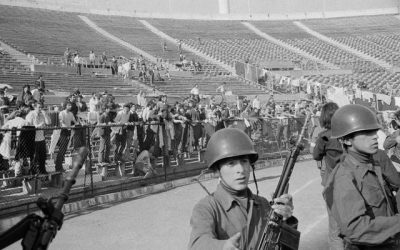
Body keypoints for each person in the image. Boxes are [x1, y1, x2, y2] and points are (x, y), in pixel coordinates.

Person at [189, 128, 295, 249]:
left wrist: (286, 220)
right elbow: (198, 243)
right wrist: (222, 246)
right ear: (217, 170)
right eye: (231, 163)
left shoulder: (263, 204)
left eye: (244, 161)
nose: (240, 169)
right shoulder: (207, 208)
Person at [323, 104, 400, 249]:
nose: (375, 137)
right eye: (366, 133)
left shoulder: (372, 163)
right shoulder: (344, 176)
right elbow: (355, 230)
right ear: (346, 140)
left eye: (374, 131)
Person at [312, 102, 345, 250]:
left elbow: (316, 156)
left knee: (335, 226)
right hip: (352, 179)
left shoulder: (323, 136)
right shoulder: (347, 133)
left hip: (333, 182)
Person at [25, 101, 51, 174]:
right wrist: (39, 125)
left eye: (41, 107)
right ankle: (32, 172)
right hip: (34, 139)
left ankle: (42, 171)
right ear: (35, 107)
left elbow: (48, 122)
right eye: (39, 107)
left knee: (42, 157)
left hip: (41, 138)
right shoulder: (31, 115)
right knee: (34, 158)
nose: (40, 109)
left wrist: (45, 114)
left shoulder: (42, 114)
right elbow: (28, 127)